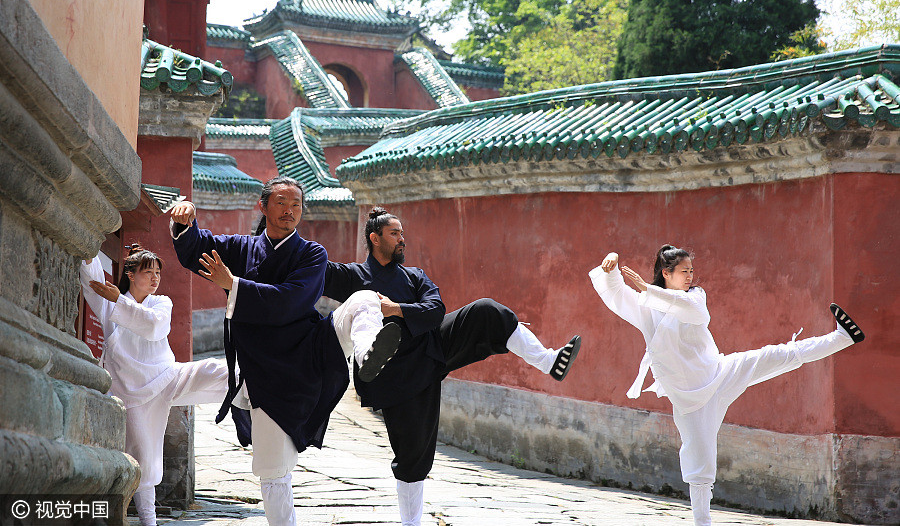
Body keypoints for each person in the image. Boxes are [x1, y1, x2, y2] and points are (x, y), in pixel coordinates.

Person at [323, 207, 582, 526]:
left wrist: (397, 309)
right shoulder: (353, 276)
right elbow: (312, 271)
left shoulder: (414, 275)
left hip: (432, 349)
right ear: (374, 238)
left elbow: (435, 309)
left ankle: (549, 360)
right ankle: (412, 523)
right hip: (394, 375)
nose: (402, 239)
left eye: (403, 233)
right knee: (412, 457)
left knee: (487, 311)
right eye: (395, 234)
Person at [169, 177, 401, 526]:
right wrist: (184, 222)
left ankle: (367, 353)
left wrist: (232, 284)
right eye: (281, 202)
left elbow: (289, 302)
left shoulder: (312, 254)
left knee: (365, 299)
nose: (289, 209)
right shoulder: (241, 248)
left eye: (296, 204)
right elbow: (196, 250)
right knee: (274, 472)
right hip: (263, 369)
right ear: (262, 207)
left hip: (310, 350)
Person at [589, 245, 865, 526]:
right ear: (666, 273)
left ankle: (842, 337)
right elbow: (619, 296)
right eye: (684, 271)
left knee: (777, 355)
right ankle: (702, 522)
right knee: (699, 461)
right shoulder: (646, 307)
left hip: (719, 373)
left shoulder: (695, 296)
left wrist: (649, 290)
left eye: (691, 271)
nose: (689, 276)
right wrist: (610, 267)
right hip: (690, 400)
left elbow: (693, 312)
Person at [79, 244, 230, 526]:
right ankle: (149, 521)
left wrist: (120, 302)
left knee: (214, 369)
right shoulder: (112, 302)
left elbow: (154, 327)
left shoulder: (161, 302)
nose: (154, 278)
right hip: (130, 392)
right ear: (131, 275)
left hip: (164, 376)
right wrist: (88, 256)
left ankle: (263, 381)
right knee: (143, 458)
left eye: (157, 272)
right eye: (148, 272)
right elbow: (92, 285)